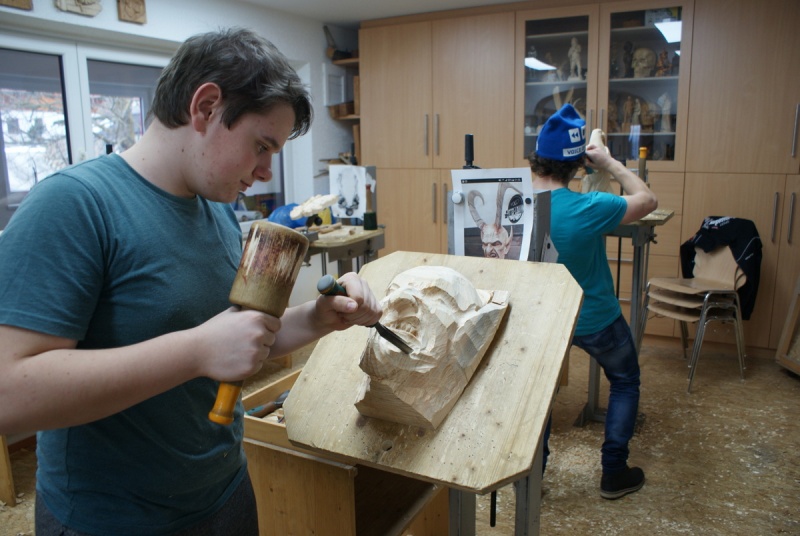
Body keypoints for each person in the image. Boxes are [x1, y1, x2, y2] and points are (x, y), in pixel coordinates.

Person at [0, 28, 383, 535]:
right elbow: (9, 394)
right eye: (261, 145)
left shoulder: (215, 208)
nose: (265, 172)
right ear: (205, 107)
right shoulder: (73, 205)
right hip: (111, 521)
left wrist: (318, 318)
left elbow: (236, 341)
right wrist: (196, 350)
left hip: (224, 494)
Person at [529, 103, 657, 500]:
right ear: (577, 164)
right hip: (595, 318)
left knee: (538, 397)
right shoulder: (590, 206)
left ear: (536, 157)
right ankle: (613, 472)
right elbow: (646, 200)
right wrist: (610, 163)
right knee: (625, 380)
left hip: (542, 320)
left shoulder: (514, 205)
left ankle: (532, 479)